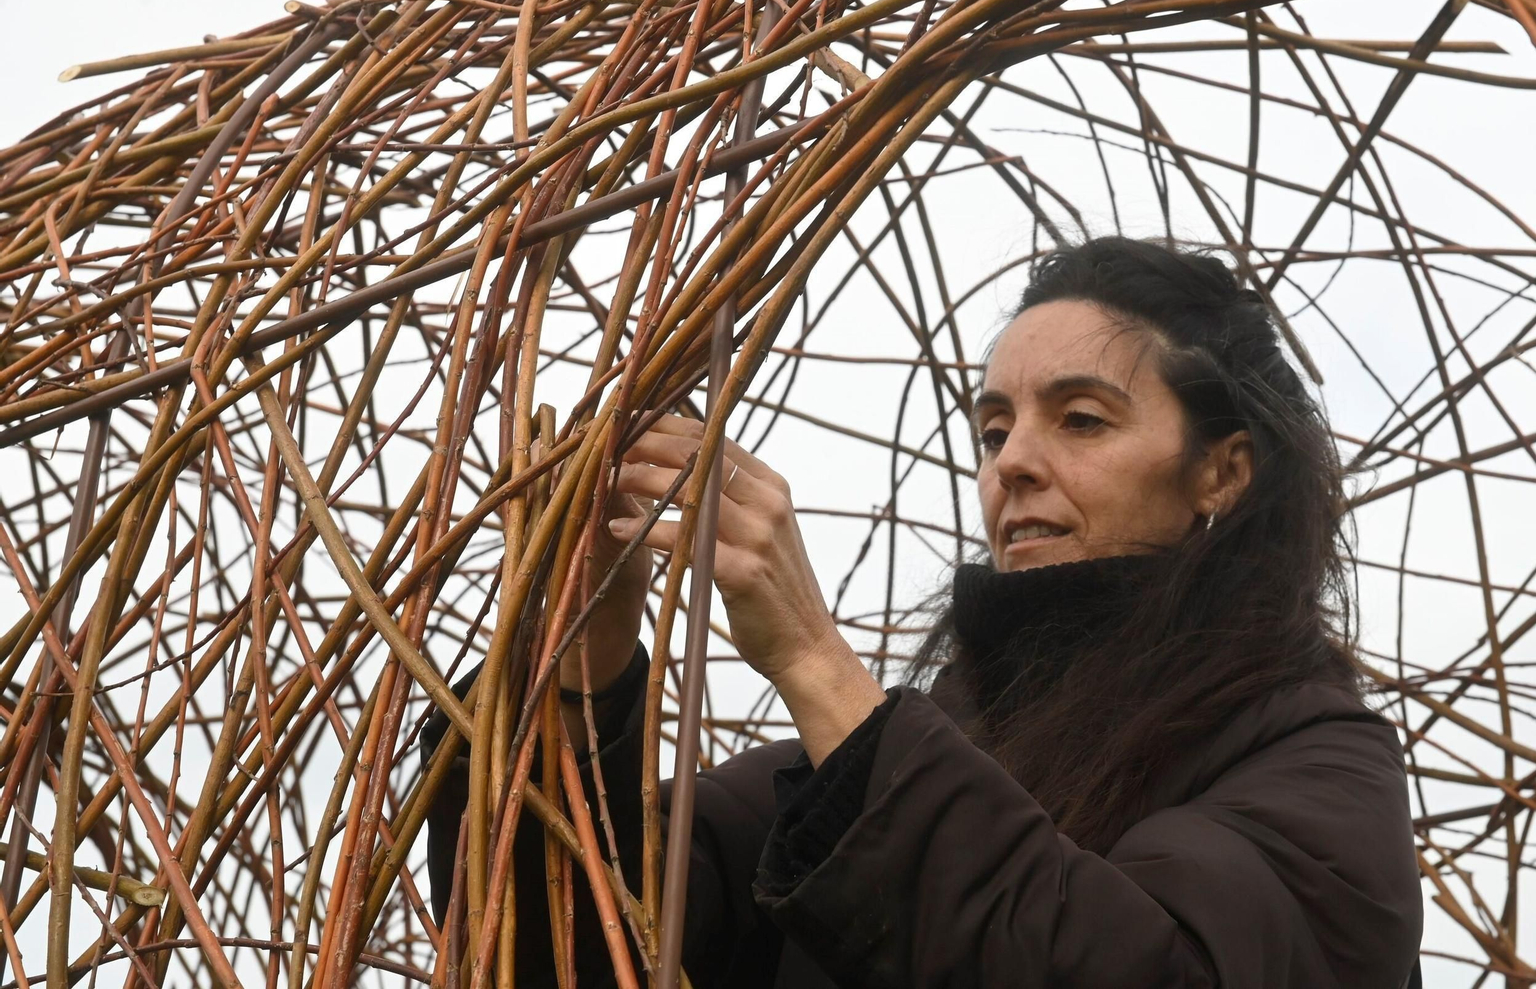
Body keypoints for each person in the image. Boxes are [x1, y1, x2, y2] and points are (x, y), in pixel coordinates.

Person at [422, 236, 1425, 987]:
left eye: (1080, 418)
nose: (1011, 463)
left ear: (1220, 469)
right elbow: (575, 936)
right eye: (994, 427)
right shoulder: (919, 745)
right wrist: (582, 643)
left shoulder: (1312, 761)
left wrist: (816, 662)